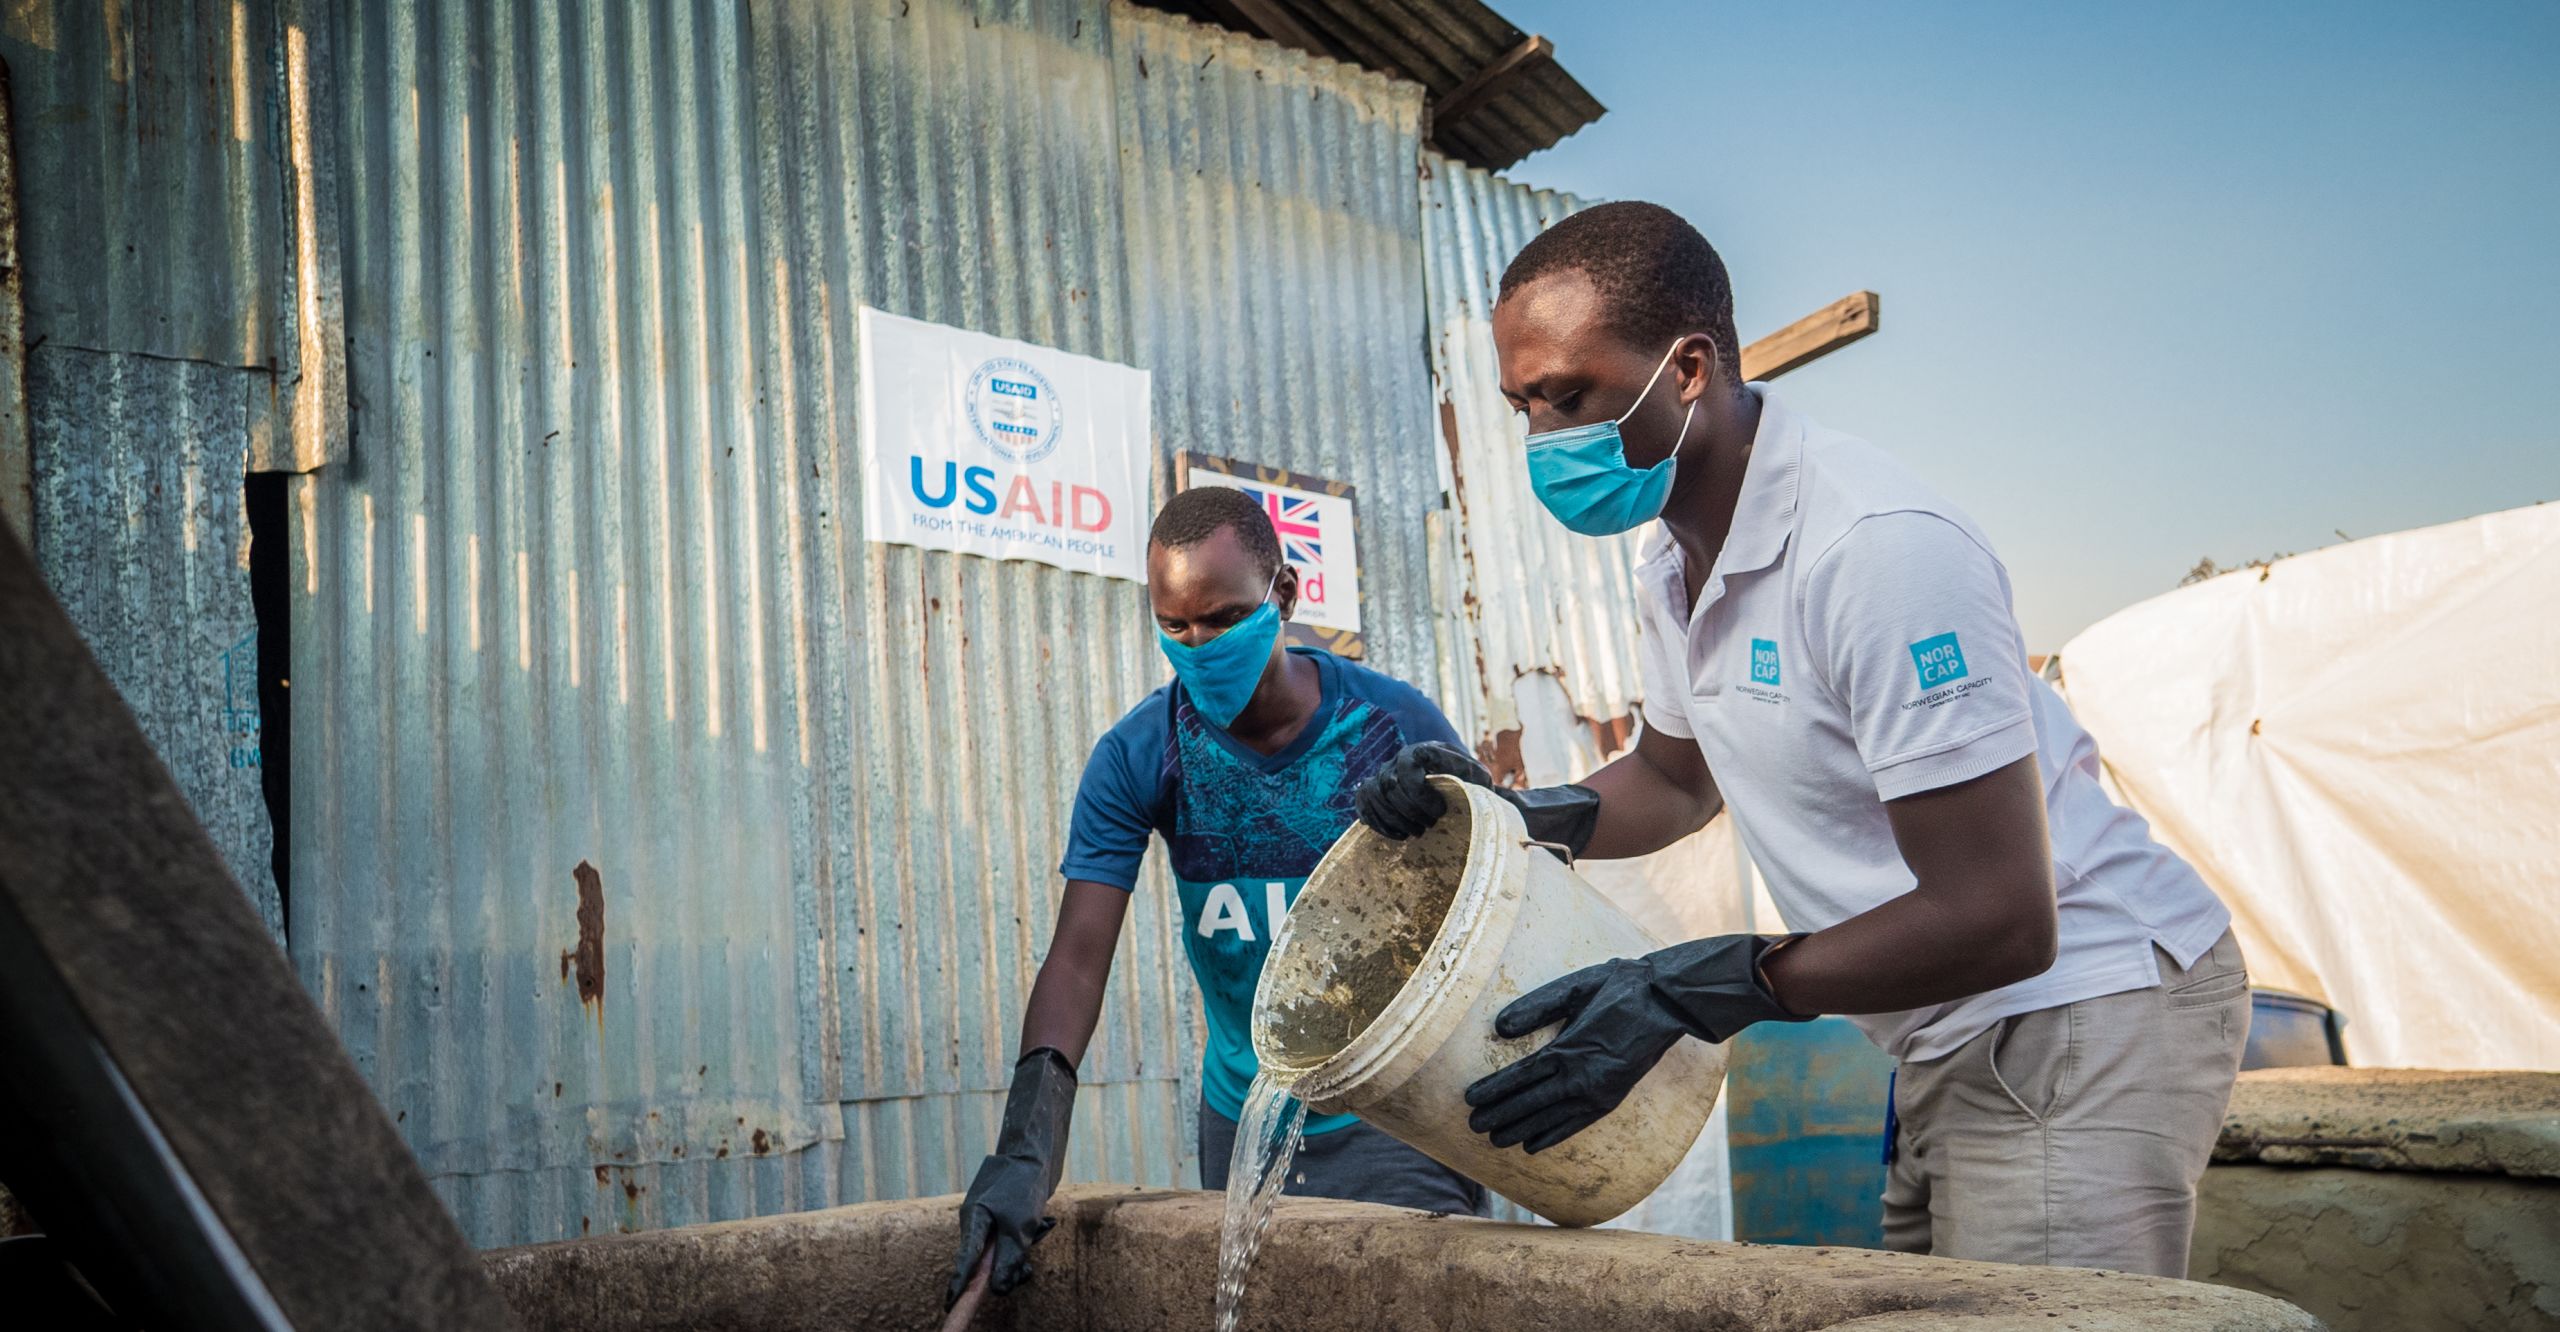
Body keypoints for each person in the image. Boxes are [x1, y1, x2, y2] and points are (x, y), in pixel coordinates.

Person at [1355, 202, 2247, 1279]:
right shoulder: (1675, 563)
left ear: (1686, 368)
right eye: (1525, 405)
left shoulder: (1874, 552)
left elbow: (2004, 918)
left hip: (2077, 1010)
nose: (1546, 438)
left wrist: (1700, 988)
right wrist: (1505, 818)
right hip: (1941, 1032)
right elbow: (1676, 782)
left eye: (1574, 395)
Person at [948, 486, 1488, 1306]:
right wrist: (1027, 1150)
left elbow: (1490, 899)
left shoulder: (1387, 725)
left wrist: (1468, 805)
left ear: (1284, 595)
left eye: (1224, 618)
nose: (1199, 645)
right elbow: (1078, 959)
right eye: (1176, 626)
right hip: (1244, 1121)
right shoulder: (1142, 754)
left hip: (1397, 1113)